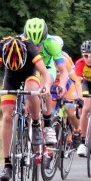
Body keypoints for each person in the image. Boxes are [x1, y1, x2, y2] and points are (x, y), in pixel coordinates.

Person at [0, 35, 53, 181]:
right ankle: (7, 165)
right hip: (11, 77)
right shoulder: (0, 47)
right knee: (7, 117)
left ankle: (35, 124)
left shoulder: (30, 48)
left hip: (30, 73)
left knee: (31, 88)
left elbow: (45, 74)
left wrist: (46, 87)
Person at [22, 18, 67, 146]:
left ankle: (47, 125)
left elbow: (63, 71)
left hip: (47, 68)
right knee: (27, 90)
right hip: (28, 69)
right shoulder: (20, 41)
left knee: (44, 88)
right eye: (32, 44)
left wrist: (62, 85)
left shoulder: (52, 43)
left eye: (39, 45)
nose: (36, 48)